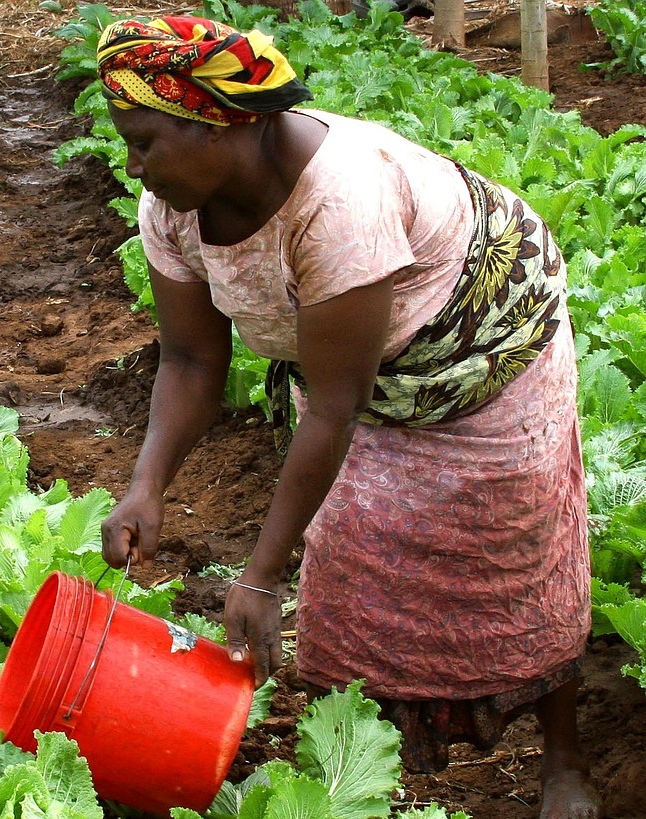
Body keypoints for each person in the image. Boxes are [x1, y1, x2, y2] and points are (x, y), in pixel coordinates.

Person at [93, 16, 600, 819]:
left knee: (514, 555)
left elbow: (334, 405)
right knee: (352, 565)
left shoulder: (339, 198)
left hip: (491, 349)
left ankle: (564, 755)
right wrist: (146, 484)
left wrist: (259, 576)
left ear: (224, 120)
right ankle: (352, 767)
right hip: (357, 369)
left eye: (146, 141)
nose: (133, 165)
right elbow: (192, 361)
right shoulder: (172, 211)